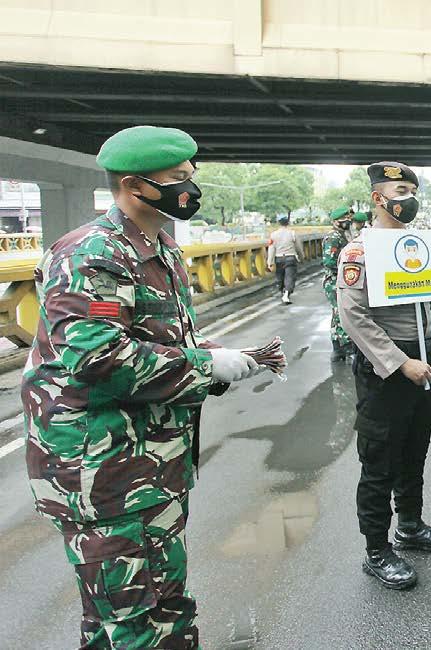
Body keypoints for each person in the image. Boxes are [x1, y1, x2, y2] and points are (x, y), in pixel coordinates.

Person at [22, 125, 265, 649]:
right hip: (105, 475)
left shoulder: (163, 251)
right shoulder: (92, 254)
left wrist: (219, 358)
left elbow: (158, 339)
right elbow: (96, 356)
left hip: (150, 466)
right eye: (179, 178)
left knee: (132, 617)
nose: (191, 187)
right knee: (146, 624)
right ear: (135, 186)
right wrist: (205, 366)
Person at [337, 162, 431, 590]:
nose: (408, 197)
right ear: (378, 198)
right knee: (379, 463)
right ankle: (377, 550)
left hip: (426, 362)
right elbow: (354, 316)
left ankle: (409, 525)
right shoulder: (359, 252)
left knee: (414, 453)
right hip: (387, 371)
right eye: (400, 189)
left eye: (412, 189)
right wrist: (398, 362)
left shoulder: (421, 245)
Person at [322, 206, 355, 361]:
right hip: (334, 280)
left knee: (337, 314)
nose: (347, 222)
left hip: (340, 279)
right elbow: (329, 261)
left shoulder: (343, 235)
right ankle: (346, 348)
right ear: (336, 222)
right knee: (341, 313)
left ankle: (338, 349)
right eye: (344, 220)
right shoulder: (333, 237)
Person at [267, 215, 304, 304]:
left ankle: (283, 291)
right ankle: (286, 293)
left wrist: (269, 262)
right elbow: (299, 247)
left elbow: (271, 249)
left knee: (280, 277)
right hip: (290, 257)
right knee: (290, 277)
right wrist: (301, 257)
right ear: (288, 222)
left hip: (279, 258)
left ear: (278, 223)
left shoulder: (273, 235)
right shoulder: (292, 233)